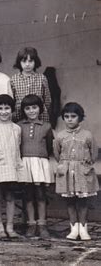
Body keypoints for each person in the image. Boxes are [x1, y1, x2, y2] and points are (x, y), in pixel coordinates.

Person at [54, 102, 98, 241]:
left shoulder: (87, 135)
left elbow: (94, 153)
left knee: (83, 201)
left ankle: (83, 229)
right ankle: (73, 228)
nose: (70, 119)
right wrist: (65, 164)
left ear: (80, 117)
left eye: (73, 116)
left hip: (82, 171)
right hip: (66, 172)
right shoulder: (60, 136)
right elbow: (57, 154)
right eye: (66, 116)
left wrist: (84, 164)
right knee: (70, 202)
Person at [0, 95, 22, 239]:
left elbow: (18, 146)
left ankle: (10, 226)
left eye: (7, 108)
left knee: (10, 196)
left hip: (12, 165)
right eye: (0, 108)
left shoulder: (17, 128)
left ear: (12, 110)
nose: (3, 112)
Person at [17, 95, 54, 239]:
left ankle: (42, 224)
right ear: (23, 110)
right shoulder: (19, 126)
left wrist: (42, 158)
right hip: (25, 163)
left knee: (40, 194)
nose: (31, 111)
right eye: (27, 108)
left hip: (40, 163)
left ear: (40, 108)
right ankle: (31, 224)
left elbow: (50, 147)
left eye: (34, 107)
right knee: (28, 195)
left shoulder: (46, 126)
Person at [10, 47, 51, 123]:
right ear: (19, 62)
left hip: (40, 116)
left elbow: (47, 99)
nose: (27, 64)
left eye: (30, 61)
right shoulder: (13, 79)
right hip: (20, 116)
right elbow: (12, 100)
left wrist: (43, 110)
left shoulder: (41, 78)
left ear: (35, 62)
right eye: (24, 61)